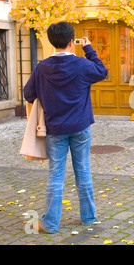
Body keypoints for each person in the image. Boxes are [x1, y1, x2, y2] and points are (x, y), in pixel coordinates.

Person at [24, 21, 108, 233]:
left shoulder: (42, 67)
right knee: (83, 172)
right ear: (72, 41)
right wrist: (88, 48)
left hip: (54, 130)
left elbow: (28, 94)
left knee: (55, 175)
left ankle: (50, 223)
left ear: (53, 42)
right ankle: (88, 217)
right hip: (80, 127)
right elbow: (102, 71)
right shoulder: (82, 64)